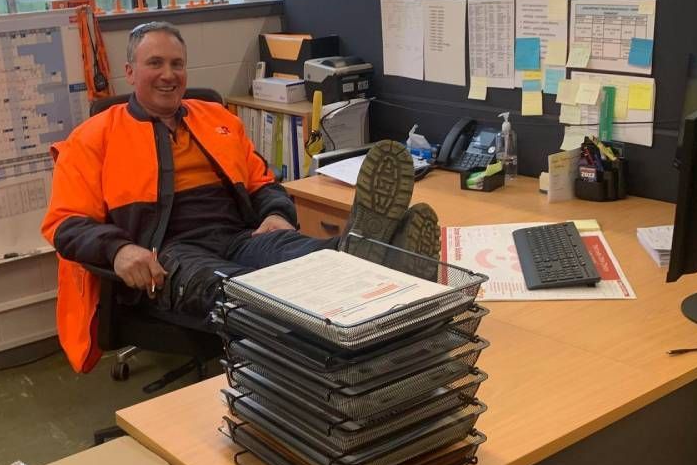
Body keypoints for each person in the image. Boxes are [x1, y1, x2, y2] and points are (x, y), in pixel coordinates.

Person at [42, 21, 439, 372]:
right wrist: (118, 250)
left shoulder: (217, 119)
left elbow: (262, 181)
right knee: (255, 295)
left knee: (318, 260)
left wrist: (278, 213)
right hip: (167, 253)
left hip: (240, 236)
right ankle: (354, 354)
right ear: (130, 72)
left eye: (177, 64)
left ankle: (360, 252)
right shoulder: (95, 137)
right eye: (155, 64)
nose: (169, 75)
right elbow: (65, 224)